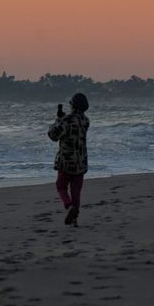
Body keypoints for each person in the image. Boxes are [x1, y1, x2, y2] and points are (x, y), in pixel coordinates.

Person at [48, 93, 90, 227]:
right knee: (76, 191)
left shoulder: (66, 120)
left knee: (61, 186)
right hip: (81, 162)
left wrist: (58, 120)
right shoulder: (86, 121)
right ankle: (75, 219)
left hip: (66, 161)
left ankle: (68, 205)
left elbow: (54, 135)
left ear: (73, 105)